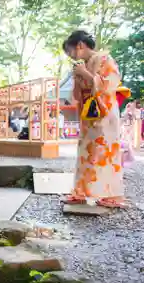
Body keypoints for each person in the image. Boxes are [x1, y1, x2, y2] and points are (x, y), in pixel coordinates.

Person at [61, 30, 126, 208]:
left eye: (71, 51)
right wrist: (77, 77)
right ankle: (81, 192)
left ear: (80, 45)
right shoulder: (81, 65)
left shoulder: (105, 59)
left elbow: (110, 85)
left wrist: (86, 74)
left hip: (104, 114)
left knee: (105, 152)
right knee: (85, 153)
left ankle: (110, 195)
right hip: (89, 115)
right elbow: (76, 95)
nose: (71, 56)